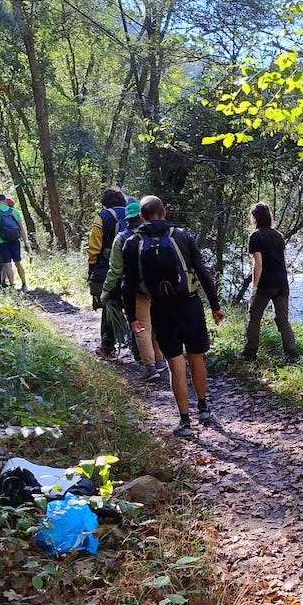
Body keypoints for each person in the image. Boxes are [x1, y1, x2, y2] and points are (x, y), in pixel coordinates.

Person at [122, 195, 226, 438]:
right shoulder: (182, 236)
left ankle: (185, 421)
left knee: (175, 366)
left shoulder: (132, 243)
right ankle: (203, 408)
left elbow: (127, 284)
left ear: (141, 216)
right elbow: (202, 271)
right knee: (196, 359)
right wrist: (215, 305)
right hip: (189, 305)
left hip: (160, 308)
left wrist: (132, 318)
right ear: (164, 212)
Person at [103, 199, 167, 383]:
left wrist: (106, 290)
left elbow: (116, 269)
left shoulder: (123, 238)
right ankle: (160, 359)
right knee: (156, 325)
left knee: (141, 327)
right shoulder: (158, 234)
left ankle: (150, 366)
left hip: (138, 290)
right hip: (161, 289)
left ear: (128, 219)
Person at [240, 202, 298, 362]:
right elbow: (284, 261)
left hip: (266, 282)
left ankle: (249, 352)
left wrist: (254, 287)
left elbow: (258, 264)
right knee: (282, 319)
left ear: (254, 218)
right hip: (281, 282)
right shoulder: (278, 236)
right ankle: (291, 353)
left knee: (254, 316)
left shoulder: (255, 236)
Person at [88, 187, 127, 359]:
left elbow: (94, 246)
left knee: (110, 306)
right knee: (137, 308)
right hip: (134, 269)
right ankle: (144, 352)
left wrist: (92, 268)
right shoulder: (133, 214)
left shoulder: (102, 217)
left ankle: (107, 347)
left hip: (107, 267)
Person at [0, 193, 28, 291]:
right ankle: (24, 284)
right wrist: (25, 242)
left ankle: (12, 285)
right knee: (18, 263)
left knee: (8, 264)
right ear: (5, 200)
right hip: (15, 241)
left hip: (2, 242)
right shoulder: (14, 211)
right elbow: (21, 229)